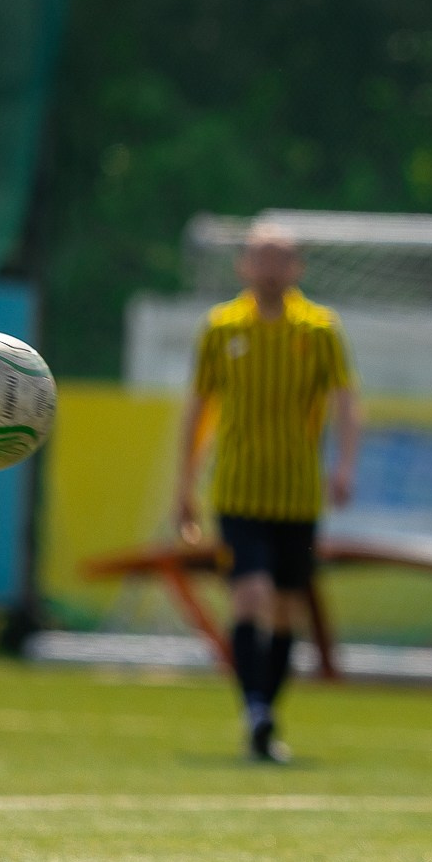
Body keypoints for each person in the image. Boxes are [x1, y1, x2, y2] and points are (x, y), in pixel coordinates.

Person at [175, 225, 360, 761]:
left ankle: (265, 712)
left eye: (281, 258)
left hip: (297, 495)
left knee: (285, 609)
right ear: (243, 266)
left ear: (297, 267)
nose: (270, 268)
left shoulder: (320, 330)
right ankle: (254, 707)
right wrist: (184, 486)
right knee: (250, 593)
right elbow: (198, 409)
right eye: (261, 257)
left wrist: (345, 465)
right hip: (237, 490)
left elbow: (347, 402)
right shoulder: (220, 327)